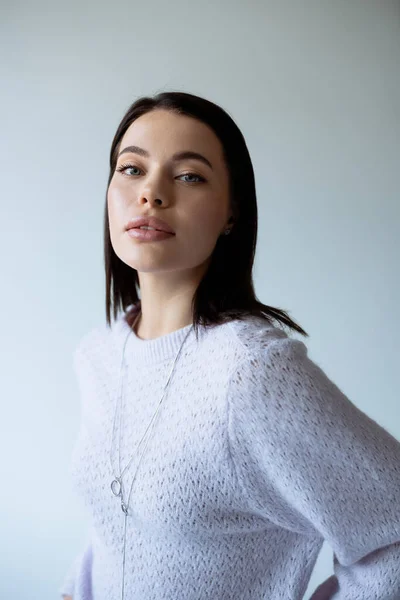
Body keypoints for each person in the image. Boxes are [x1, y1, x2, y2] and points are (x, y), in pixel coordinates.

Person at [59, 91, 400, 600]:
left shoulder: (252, 374)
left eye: (189, 175)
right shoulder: (99, 355)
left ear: (231, 213)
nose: (150, 193)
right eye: (131, 169)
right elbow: (113, 523)